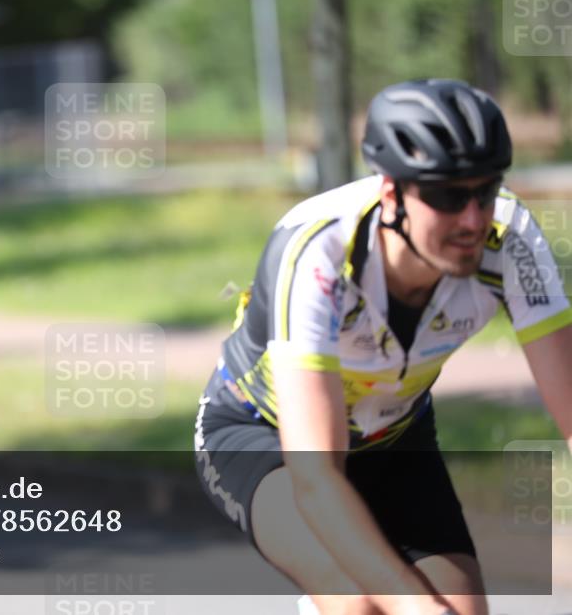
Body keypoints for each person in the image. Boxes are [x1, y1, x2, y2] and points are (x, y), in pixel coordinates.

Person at [194, 78, 572, 615]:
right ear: (391, 192)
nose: (472, 218)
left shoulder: (511, 241)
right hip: (262, 435)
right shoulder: (318, 254)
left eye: (485, 191)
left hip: (395, 437)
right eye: (447, 195)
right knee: (364, 604)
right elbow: (316, 477)